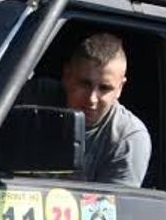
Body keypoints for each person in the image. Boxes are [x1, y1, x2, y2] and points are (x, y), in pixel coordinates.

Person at [62, 33, 151, 186]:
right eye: (85, 84)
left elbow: (112, 208)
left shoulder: (128, 138)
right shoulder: (34, 97)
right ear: (67, 76)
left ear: (120, 88)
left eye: (104, 88)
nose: (92, 99)